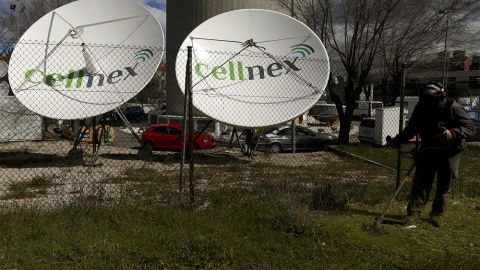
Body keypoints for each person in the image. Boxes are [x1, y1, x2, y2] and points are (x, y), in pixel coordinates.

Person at [389, 83, 475, 227]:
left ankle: (437, 214)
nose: (427, 103)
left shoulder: (453, 107)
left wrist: (452, 133)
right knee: (421, 181)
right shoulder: (421, 107)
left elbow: (470, 128)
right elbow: (412, 128)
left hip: (450, 150)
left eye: (430, 100)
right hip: (429, 148)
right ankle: (414, 213)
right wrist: (398, 140)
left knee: (445, 182)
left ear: (440, 97)